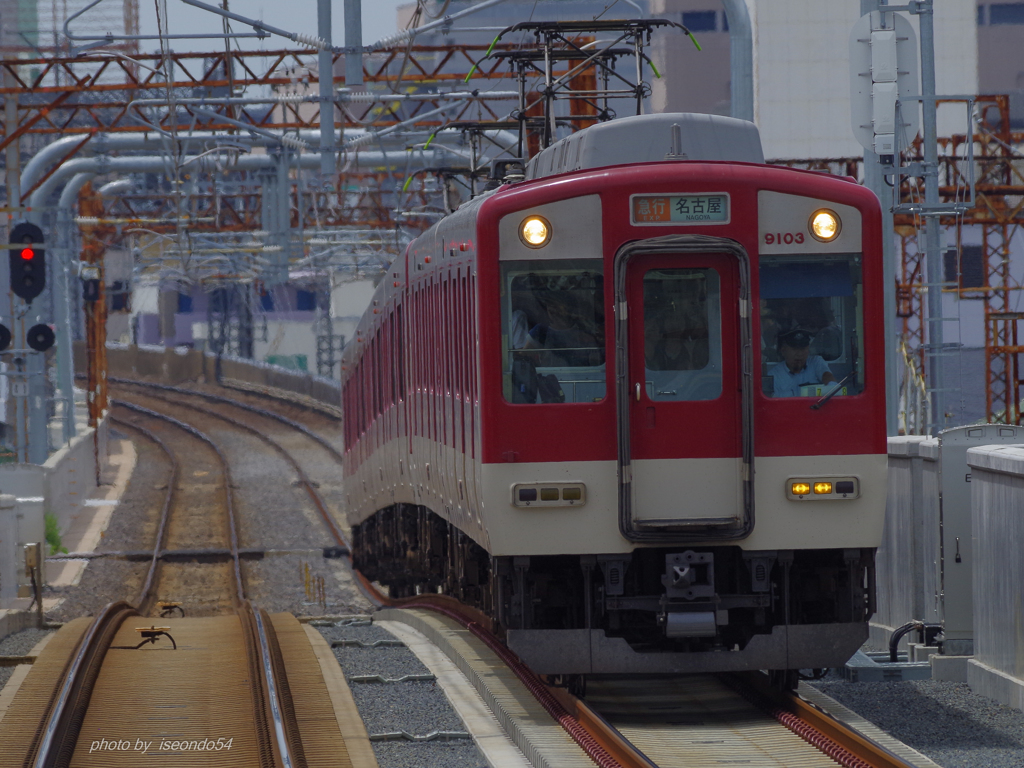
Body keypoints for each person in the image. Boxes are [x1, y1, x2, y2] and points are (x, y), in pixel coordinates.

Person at [769, 329, 836, 397]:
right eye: (795, 349)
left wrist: (832, 385)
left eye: (803, 349)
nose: (799, 354)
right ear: (783, 351)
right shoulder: (774, 376)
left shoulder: (815, 362)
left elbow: (826, 375)